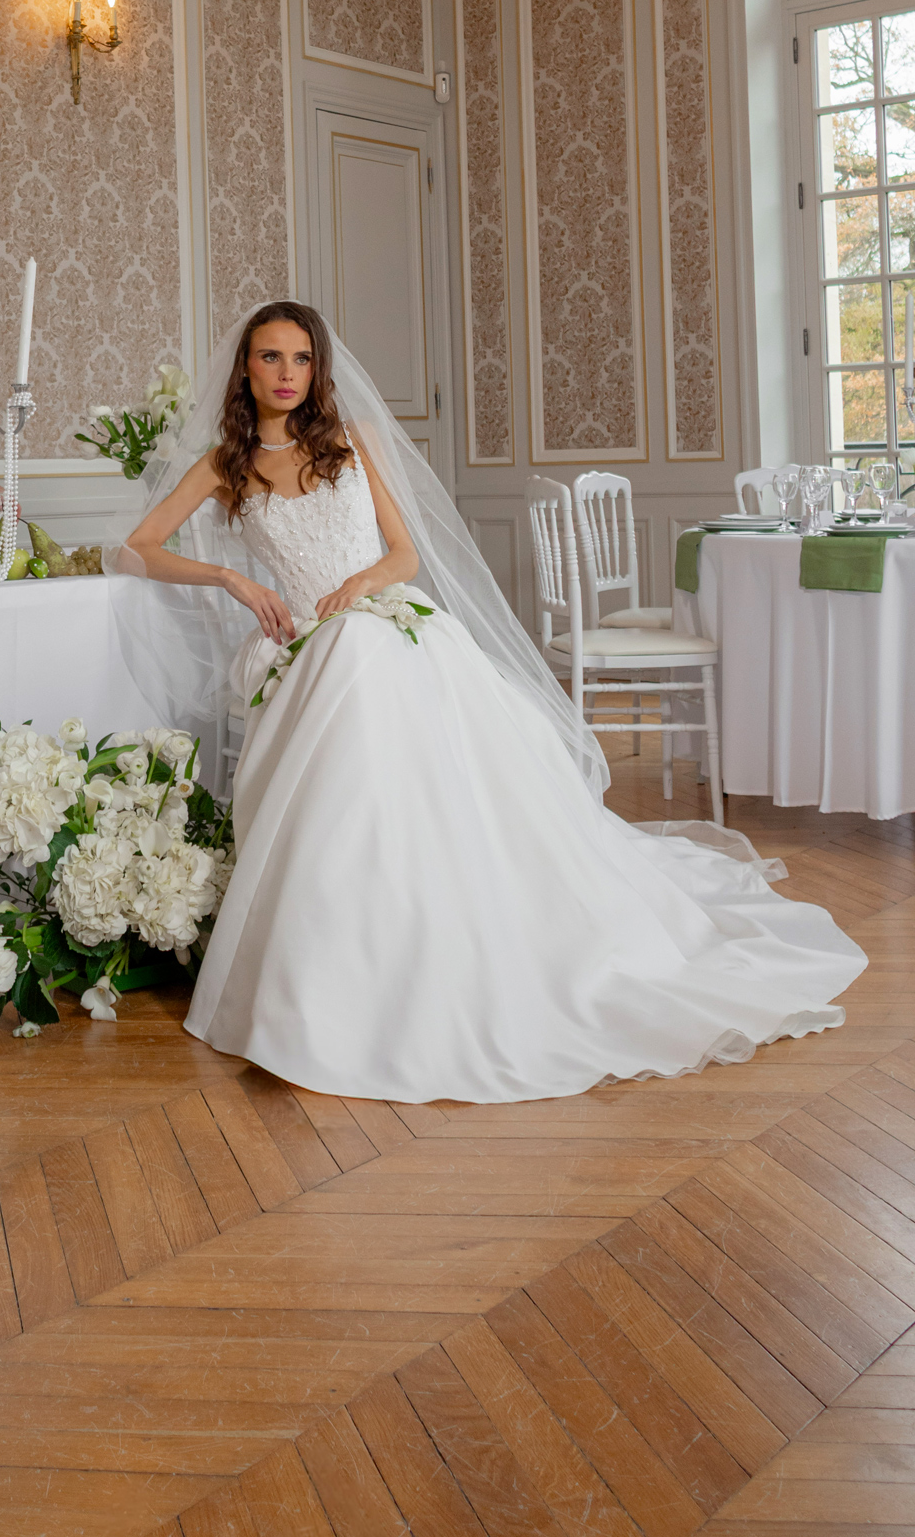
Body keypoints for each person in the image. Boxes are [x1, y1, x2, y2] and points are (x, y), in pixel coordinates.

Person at [110, 300, 866, 1105]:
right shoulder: (225, 465)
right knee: (346, 662)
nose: (286, 374)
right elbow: (132, 549)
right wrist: (230, 578)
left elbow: (403, 555)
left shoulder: (353, 444)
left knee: (365, 653)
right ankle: (340, 956)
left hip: (384, 625)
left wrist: (361, 585)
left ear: (317, 368)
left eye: (300, 359)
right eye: (270, 358)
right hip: (302, 647)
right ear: (246, 370)